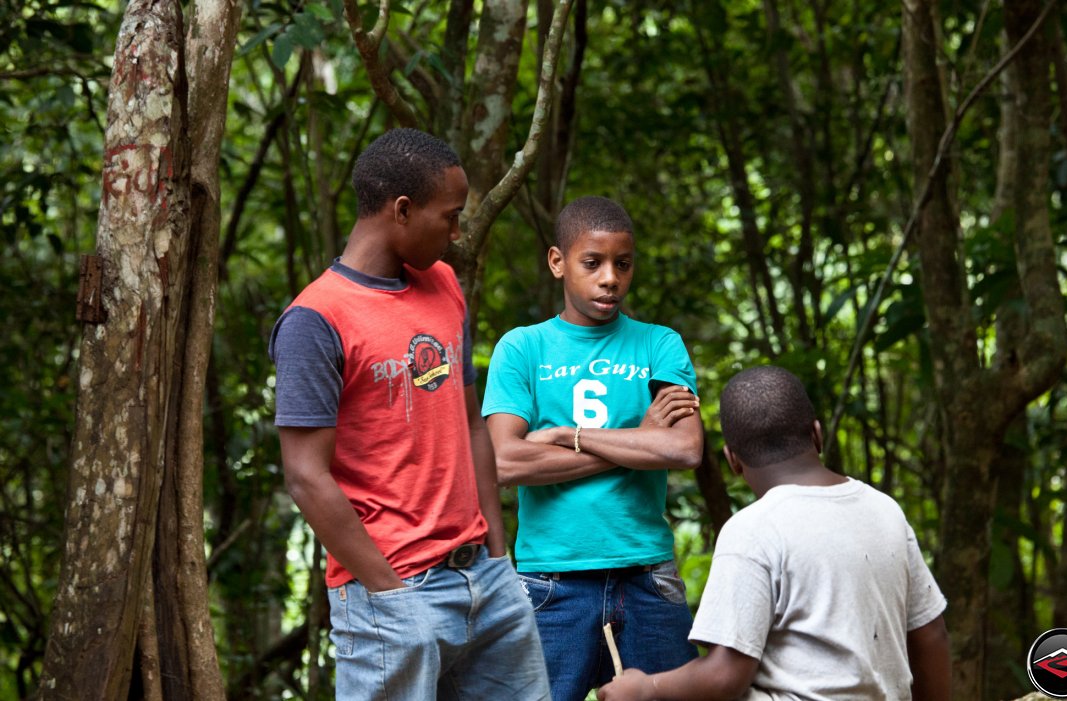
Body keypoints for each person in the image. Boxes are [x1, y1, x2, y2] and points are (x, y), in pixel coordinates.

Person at [269, 128, 550, 700]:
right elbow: (305, 475)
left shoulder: (444, 283)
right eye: (449, 217)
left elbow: (471, 423)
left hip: (485, 579)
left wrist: (499, 554)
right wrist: (390, 594)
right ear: (402, 210)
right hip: (393, 594)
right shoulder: (314, 320)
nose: (456, 231)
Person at [597, 365, 951, 701]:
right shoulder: (883, 509)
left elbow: (725, 677)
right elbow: (930, 633)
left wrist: (647, 688)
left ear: (733, 459)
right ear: (817, 433)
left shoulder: (753, 530)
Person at [482, 195, 705, 701]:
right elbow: (504, 461)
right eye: (593, 263)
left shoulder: (659, 344)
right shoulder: (522, 348)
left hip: (647, 575)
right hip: (551, 582)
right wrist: (639, 439)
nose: (610, 278)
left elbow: (686, 449)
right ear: (558, 262)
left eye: (622, 264)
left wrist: (567, 435)